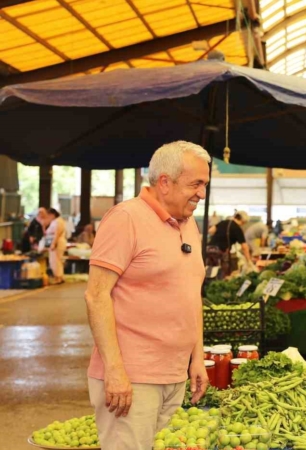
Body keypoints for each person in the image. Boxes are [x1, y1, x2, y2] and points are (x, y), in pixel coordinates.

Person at [84, 141, 211, 450]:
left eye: (205, 184)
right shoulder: (126, 218)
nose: (202, 193)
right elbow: (96, 296)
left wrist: (197, 357)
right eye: (195, 184)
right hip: (132, 378)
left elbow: (191, 295)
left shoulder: (188, 224)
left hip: (174, 374)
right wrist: (115, 371)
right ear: (164, 182)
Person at [45, 208, 67, 285]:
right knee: (56, 260)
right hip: (56, 241)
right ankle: (60, 277)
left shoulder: (58, 221)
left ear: (52, 214)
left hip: (57, 242)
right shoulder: (55, 221)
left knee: (55, 261)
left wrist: (53, 244)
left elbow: (57, 233)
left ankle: (58, 277)